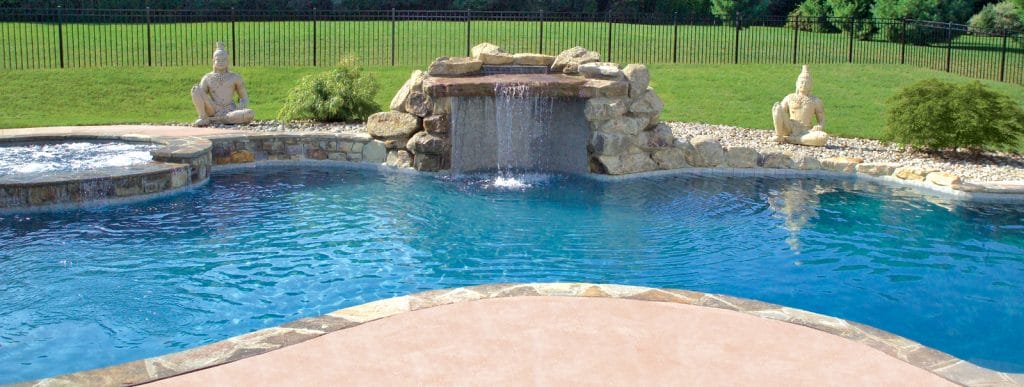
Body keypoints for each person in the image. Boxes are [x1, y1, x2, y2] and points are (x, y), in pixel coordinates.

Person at [191, 42, 254, 127]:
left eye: (223, 60)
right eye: (218, 60)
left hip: (230, 110)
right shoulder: (207, 77)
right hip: (213, 109)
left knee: (249, 113)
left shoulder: (235, 77)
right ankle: (203, 117)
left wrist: (242, 105)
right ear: (213, 61)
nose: (221, 62)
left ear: (228, 61)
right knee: (195, 90)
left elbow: (244, 97)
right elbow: (201, 95)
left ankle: (214, 120)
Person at [772, 65, 828, 147]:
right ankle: (778, 135)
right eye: (801, 82)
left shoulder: (815, 101)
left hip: (806, 131)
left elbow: (822, 119)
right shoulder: (789, 97)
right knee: (777, 108)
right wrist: (778, 109)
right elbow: (781, 113)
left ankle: (792, 139)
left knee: (823, 137)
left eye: (806, 83)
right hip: (790, 127)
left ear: (810, 85)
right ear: (797, 83)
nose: (803, 85)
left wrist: (819, 126)